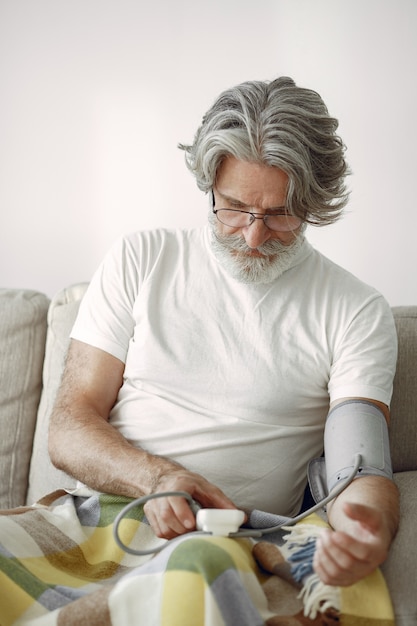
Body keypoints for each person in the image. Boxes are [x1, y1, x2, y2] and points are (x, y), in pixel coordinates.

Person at [2, 76, 400, 624]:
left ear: (314, 203)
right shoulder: (141, 258)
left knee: (193, 573)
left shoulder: (354, 308)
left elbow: (361, 470)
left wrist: (362, 528)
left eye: (280, 214)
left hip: (230, 538)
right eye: (234, 207)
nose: (253, 237)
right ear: (209, 183)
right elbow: (69, 428)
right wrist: (157, 479)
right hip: (99, 519)